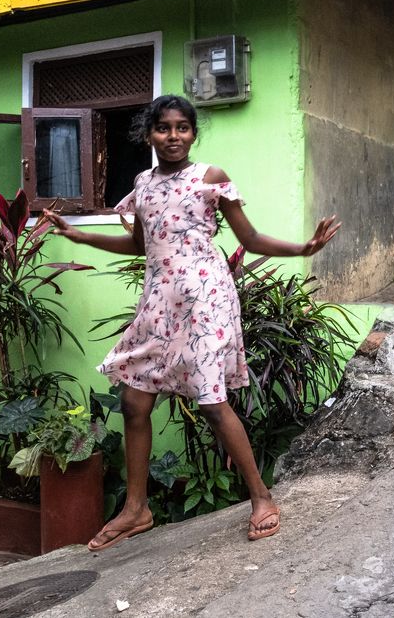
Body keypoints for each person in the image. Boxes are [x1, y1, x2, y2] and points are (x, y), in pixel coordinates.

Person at [44, 95, 341, 550]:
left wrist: (303, 249)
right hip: (159, 302)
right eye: (163, 128)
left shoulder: (209, 177)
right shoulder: (143, 184)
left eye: (182, 127)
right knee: (134, 400)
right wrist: (78, 234)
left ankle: (261, 497)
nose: (173, 136)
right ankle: (136, 509)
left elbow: (249, 237)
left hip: (205, 299)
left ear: (193, 133)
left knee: (210, 402)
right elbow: (140, 246)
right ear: (149, 134)